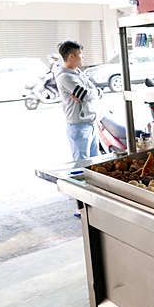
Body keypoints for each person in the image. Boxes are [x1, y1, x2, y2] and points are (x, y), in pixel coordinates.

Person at [55, 41, 102, 216]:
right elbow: (85, 93)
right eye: (80, 54)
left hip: (89, 124)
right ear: (71, 56)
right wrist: (89, 93)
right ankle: (80, 207)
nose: (83, 57)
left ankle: (94, 202)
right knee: (80, 167)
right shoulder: (65, 77)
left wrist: (91, 93)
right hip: (78, 126)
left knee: (94, 165)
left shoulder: (77, 72)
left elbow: (93, 91)